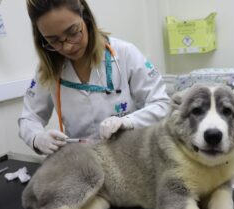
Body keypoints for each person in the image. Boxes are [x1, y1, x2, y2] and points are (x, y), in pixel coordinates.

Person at [19, 0, 170, 155]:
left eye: (72, 32)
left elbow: (162, 105)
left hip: (131, 158)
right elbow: (29, 118)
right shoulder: (47, 71)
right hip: (84, 162)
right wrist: (37, 137)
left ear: (85, 16)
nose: (67, 46)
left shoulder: (125, 53)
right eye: (54, 41)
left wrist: (129, 122)